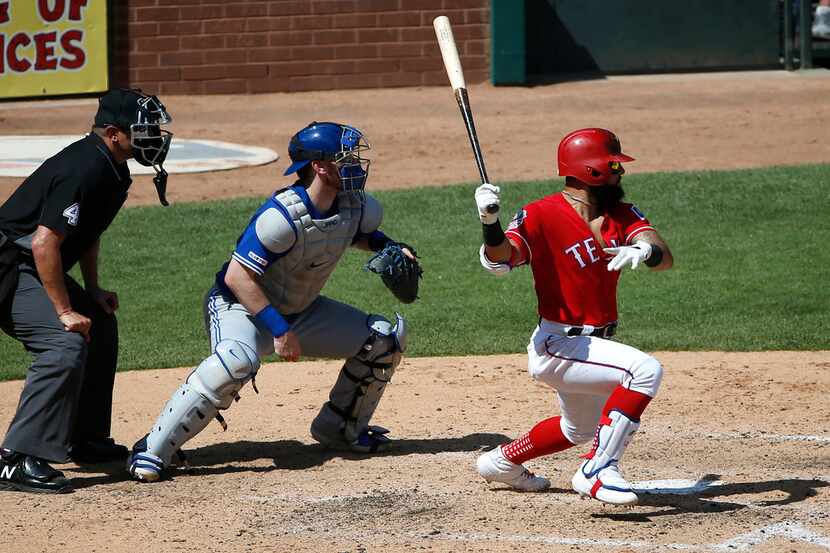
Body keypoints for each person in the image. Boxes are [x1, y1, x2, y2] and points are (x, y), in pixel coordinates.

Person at [127, 121, 417, 482]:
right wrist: (279, 329)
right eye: (346, 159)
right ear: (320, 166)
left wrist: (391, 247)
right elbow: (237, 276)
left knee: (383, 340)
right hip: (240, 308)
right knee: (235, 362)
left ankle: (339, 429)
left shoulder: (355, 206)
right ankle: (152, 450)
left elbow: (359, 233)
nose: (356, 165)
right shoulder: (280, 218)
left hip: (302, 311)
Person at [472, 128, 673, 506]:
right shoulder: (541, 214)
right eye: (613, 166)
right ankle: (597, 470)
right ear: (590, 171)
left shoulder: (621, 214)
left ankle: (501, 462)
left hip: (592, 345)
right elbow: (501, 258)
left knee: (578, 428)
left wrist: (645, 250)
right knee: (643, 371)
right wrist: (489, 221)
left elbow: (665, 255)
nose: (620, 173)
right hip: (557, 344)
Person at [0, 88, 173, 493]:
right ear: (114, 133)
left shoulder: (113, 169)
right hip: (7, 267)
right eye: (145, 130)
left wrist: (91, 289)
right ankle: (16, 458)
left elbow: (87, 231)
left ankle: (85, 437)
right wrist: (63, 311)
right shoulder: (84, 167)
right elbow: (44, 242)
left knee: (101, 326)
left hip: (29, 262)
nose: (156, 137)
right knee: (64, 344)